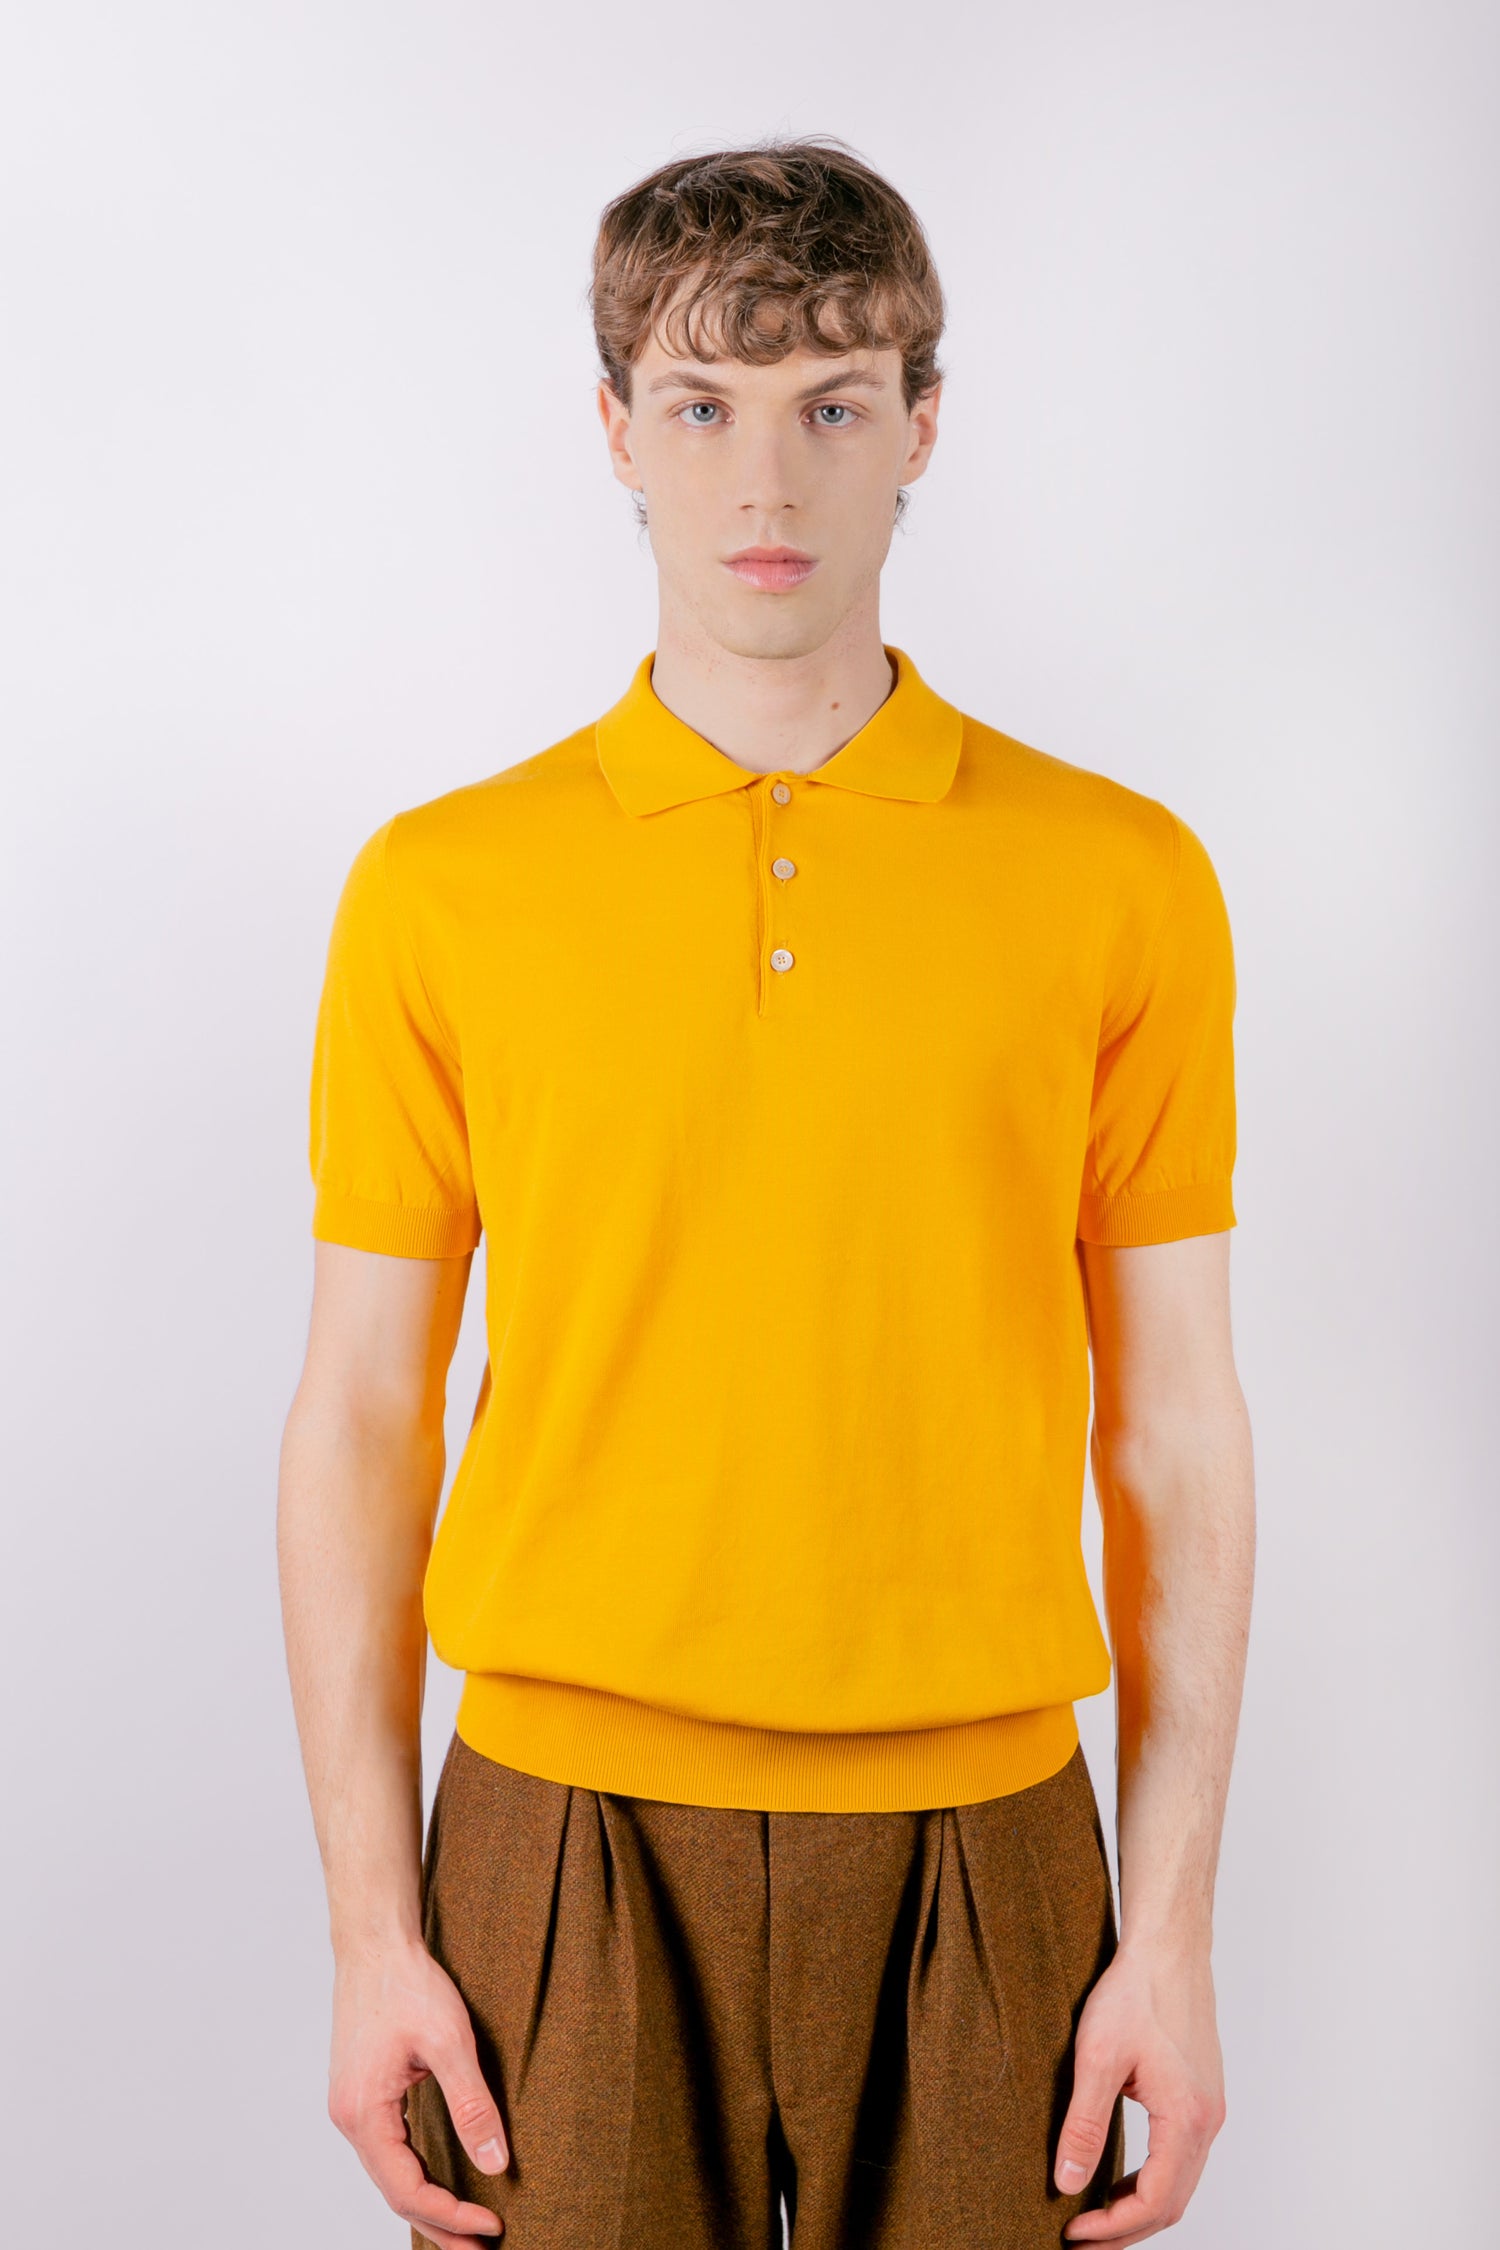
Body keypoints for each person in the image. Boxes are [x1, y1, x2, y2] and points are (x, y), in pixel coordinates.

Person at [277, 137, 1255, 2250]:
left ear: (924, 424)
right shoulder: (441, 889)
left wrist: (1171, 1931)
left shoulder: (1123, 877)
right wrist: (370, 1927)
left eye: (833, 402)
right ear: (614, 426)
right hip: (558, 1832)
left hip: (990, 1827)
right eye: (704, 404)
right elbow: (361, 1415)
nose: (766, 481)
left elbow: (1175, 1424)